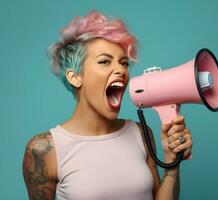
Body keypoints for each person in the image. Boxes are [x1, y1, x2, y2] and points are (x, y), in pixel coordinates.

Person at [22, 11, 192, 200]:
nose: (120, 69)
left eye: (124, 63)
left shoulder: (141, 133)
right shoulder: (44, 149)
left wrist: (172, 164)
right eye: (105, 61)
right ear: (75, 77)